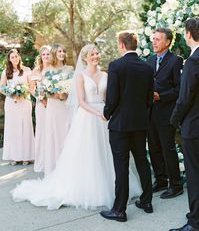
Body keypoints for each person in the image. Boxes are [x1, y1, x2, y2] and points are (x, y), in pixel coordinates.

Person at [11, 44, 142, 210]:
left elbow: (110, 96)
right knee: (89, 152)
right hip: (88, 117)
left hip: (106, 116)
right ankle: (90, 189)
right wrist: (96, 113)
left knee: (108, 152)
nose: (96, 56)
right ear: (85, 58)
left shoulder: (106, 74)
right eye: (92, 54)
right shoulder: (80, 76)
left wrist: (108, 112)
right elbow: (81, 101)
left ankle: (115, 187)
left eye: (97, 53)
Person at [100, 30, 154, 222]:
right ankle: (147, 201)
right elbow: (149, 98)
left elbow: (112, 97)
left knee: (121, 166)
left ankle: (119, 210)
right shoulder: (147, 67)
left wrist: (106, 113)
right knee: (142, 161)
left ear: (122, 45)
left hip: (120, 125)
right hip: (140, 123)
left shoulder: (116, 65)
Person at [170, 18, 199, 231]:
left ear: (188, 34)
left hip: (194, 127)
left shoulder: (193, 61)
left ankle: (195, 222)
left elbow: (185, 97)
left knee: (195, 175)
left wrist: (173, 120)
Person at [147, 28, 183, 199]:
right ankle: (161, 180)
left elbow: (179, 89)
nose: (154, 42)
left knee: (168, 149)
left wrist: (161, 96)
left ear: (167, 42)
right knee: (153, 148)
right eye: (153, 39)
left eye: (158, 39)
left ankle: (176, 185)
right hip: (150, 113)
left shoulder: (176, 61)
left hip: (166, 112)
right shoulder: (149, 59)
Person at [0, 49, 34, 165]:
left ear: (19, 57)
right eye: (12, 57)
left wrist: (24, 93)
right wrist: (12, 94)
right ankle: (14, 156)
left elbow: (31, 87)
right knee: (13, 128)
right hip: (11, 103)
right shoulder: (6, 72)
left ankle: (27, 156)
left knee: (25, 127)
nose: (14, 58)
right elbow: (2, 88)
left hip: (24, 102)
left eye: (16, 56)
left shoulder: (27, 70)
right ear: (9, 59)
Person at [44, 43, 72, 175]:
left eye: (63, 51)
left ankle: (68, 168)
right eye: (59, 51)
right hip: (54, 107)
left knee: (67, 134)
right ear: (54, 53)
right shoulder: (47, 71)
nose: (62, 53)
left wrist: (65, 94)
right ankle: (55, 169)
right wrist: (58, 95)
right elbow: (45, 92)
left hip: (66, 108)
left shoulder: (70, 69)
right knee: (54, 135)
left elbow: (74, 91)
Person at [29, 46, 51, 172]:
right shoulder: (36, 71)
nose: (46, 56)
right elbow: (32, 89)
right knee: (42, 131)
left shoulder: (54, 69)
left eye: (48, 54)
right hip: (41, 106)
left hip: (53, 104)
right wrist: (41, 98)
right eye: (44, 54)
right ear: (40, 56)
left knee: (53, 130)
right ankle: (43, 161)